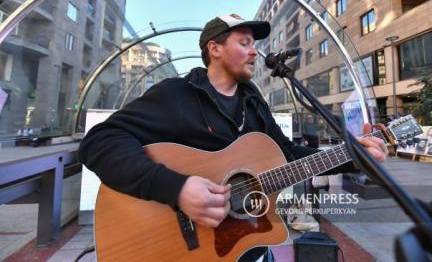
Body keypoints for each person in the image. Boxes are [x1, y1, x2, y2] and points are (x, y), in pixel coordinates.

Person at [78, 14, 388, 262]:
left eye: (254, 44)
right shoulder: (176, 95)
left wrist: (352, 156)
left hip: (248, 248)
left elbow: (289, 156)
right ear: (215, 49)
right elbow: (100, 141)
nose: (255, 51)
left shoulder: (254, 103)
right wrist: (177, 189)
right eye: (244, 43)